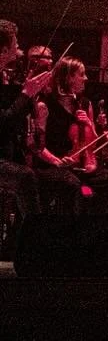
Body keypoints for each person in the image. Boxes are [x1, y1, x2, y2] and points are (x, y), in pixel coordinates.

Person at [31, 56, 108, 217]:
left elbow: (92, 142)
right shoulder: (44, 106)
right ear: (69, 77)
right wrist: (57, 161)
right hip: (53, 165)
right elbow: (37, 147)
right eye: (81, 74)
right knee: (78, 188)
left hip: (81, 165)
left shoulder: (85, 104)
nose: (86, 78)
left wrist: (89, 124)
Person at [0, 21, 44, 218]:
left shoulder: (4, 77)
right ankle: (32, 239)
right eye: (15, 43)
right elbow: (4, 122)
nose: (19, 47)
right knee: (25, 177)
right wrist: (26, 94)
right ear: (3, 50)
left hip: (6, 152)